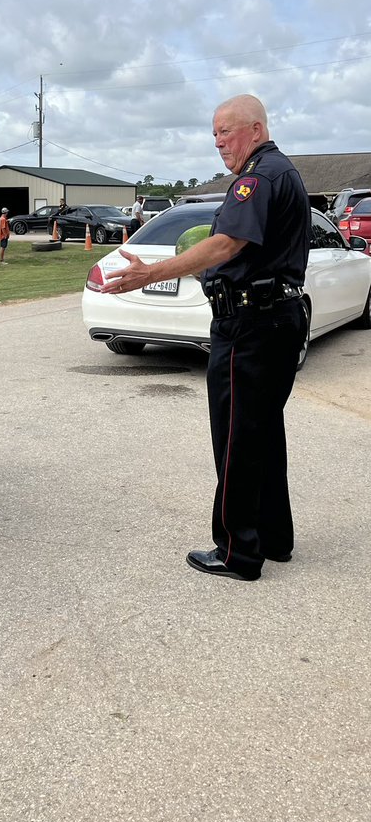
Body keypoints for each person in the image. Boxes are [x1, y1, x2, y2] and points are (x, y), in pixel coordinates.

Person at [103, 94, 311, 582]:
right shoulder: (282, 172)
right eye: (214, 133)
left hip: (252, 328)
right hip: (274, 319)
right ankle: (274, 538)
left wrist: (149, 273)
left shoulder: (258, 178)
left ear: (256, 130)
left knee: (237, 437)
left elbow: (226, 242)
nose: (218, 141)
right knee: (262, 432)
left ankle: (238, 552)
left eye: (227, 131)